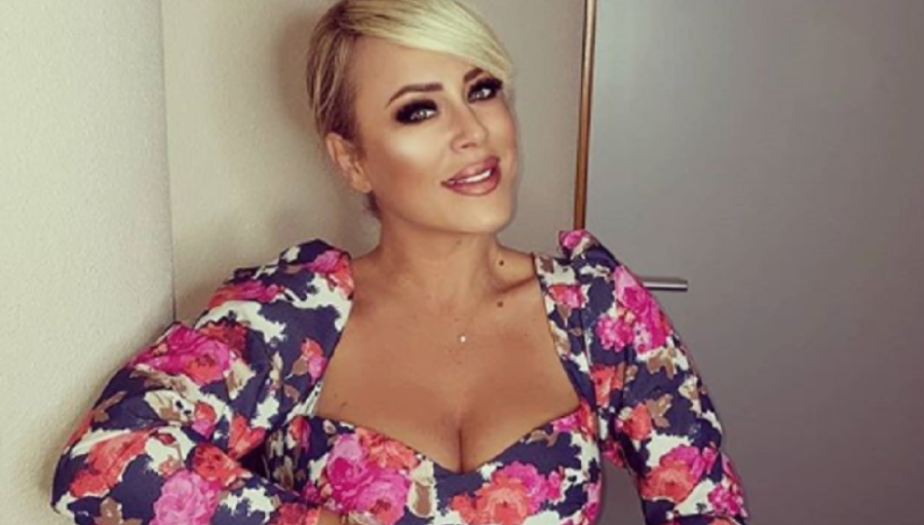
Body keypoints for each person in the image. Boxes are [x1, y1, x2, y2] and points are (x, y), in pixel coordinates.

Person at [50, 1, 750, 524]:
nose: (472, 132)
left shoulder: (596, 310)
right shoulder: (294, 319)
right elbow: (106, 460)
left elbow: (708, 507)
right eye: (419, 111)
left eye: (481, 90)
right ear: (352, 159)